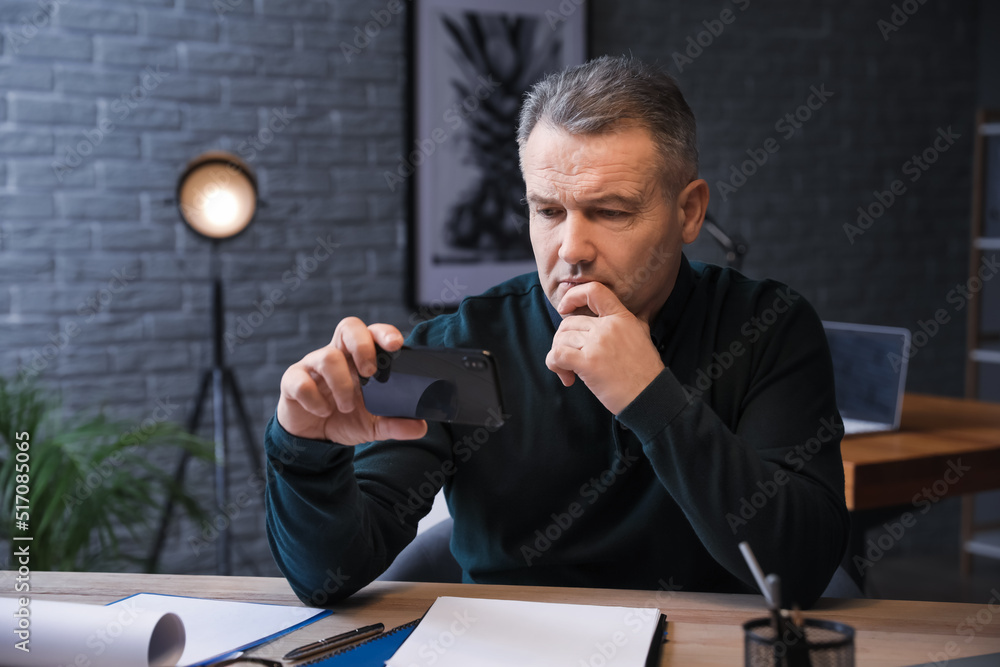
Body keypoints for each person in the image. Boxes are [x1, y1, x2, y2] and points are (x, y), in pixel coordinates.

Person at [264, 55, 849, 609]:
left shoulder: (766, 328)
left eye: (612, 211)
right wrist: (305, 449)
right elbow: (327, 579)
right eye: (548, 211)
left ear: (689, 212)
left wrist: (652, 397)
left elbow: (796, 573)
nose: (571, 249)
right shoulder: (465, 343)